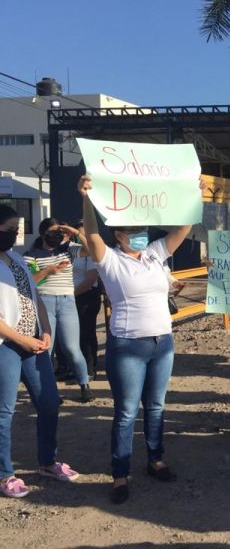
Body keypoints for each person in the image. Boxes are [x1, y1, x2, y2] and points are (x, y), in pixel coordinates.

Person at [78, 174, 200, 504]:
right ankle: (120, 473)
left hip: (163, 343)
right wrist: (87, 199)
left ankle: (155, 459)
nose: (141, 234)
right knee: (127, 412)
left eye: (142, 228)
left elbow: (183, 230)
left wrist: (193, 194)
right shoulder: (109, 261)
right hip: (128, 345)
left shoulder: (153, 255)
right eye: (132, 230)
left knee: (156, 406)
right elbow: (91, 234)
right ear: (118, 234)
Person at [0, 204, 80, 498]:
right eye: (7, 229)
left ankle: (48, 461)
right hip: (6, 346)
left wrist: (45, 330)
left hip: (34, 343)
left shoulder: (18, 260)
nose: (13, 234)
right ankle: (5, 473)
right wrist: (22, 339)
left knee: (48, 404)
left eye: (15, 229)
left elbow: (35, 298)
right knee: (4, 411)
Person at [24, 218, 94, 402]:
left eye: (59, 232)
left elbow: (91, 251)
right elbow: (30, 281)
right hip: (44, 301)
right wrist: (48, 271)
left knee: (72, 347)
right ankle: (50, 390)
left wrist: (77, 232)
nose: (57, 235)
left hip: (67, 301)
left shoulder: (68, 248)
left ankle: (84, 384)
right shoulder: (31, 254)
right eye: (53, 232)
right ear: (43, 233)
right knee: (47, 349)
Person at [71, 220, 102, 379]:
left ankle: (90, 367)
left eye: (84, 234)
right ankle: (72, 369)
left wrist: (72, 294)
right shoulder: (72, 250)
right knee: (72, 335)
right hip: (71, 297)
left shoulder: (92, 253)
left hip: (87, 296)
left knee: (86, 332)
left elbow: (90, 279)